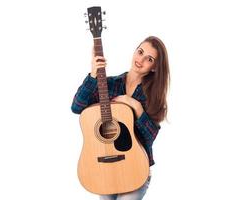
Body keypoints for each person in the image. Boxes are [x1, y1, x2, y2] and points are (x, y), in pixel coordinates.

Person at [71, 36, 170, 200]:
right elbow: (77, 107)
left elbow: (150, 137)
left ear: (154, 67)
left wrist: (136, 107)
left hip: (135, 167)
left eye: (149, 59)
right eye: (140, 52)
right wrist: (94, 74)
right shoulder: (108, 84)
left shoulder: (153, 97)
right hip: (104, 166)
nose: (141, 59)